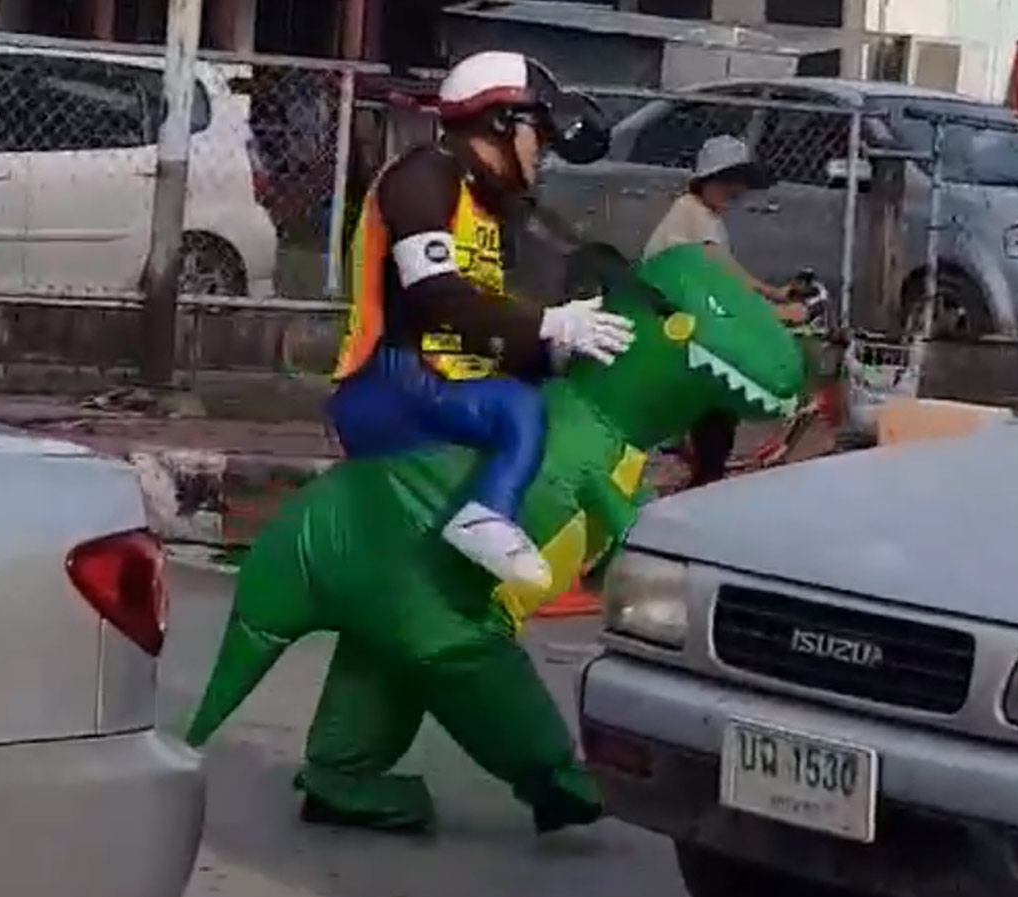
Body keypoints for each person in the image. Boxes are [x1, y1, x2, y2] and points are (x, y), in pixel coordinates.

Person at [328, 51, 633, 590]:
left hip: (439, 381)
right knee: (516, 408)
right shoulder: (423, 178)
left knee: (548, 398)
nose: (543, 154)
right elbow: (438, 299)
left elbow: (486, 326)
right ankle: (485, 519)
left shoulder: (490, 209)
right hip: (388, 382)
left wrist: (556, 347)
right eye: (537, 134)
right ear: (499, 122)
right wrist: (547, 325)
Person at [642, 135, 800, 487]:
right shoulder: (691, 211)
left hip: (685, 319)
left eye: (737, 184)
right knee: (719, 400)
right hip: (670, 323)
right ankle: (704, 480)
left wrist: (773, 295)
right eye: (727, 181)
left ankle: (702, 468)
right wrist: (775, 303)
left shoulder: (706, 217)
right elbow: (723, 273)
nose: (734, 190)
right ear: (706, 179)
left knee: (718, 401)